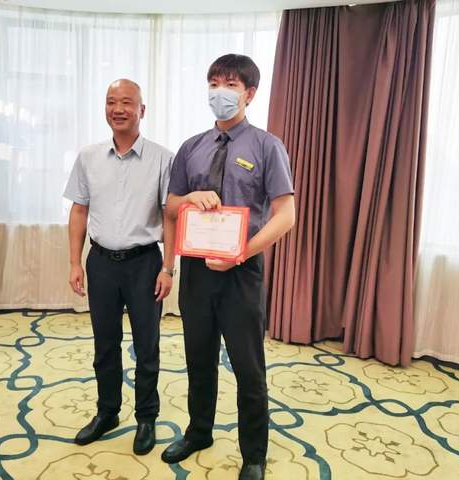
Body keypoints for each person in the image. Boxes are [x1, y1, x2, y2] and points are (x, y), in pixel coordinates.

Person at [162, 54, 295, 480]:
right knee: (198, 359)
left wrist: (241, 253)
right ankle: (198, 432)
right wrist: (189, 199)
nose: (220, 92)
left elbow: (286, 215)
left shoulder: (267, 146)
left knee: (248, 368)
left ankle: (253, 454)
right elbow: (170, 207)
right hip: (197, 271)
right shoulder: (191, 148)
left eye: (231, 85)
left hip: (242, 272)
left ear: (249, 94)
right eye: (214, 83)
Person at [64, 79, 175, 455]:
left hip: (145, 263)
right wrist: (74, 262)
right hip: (101, 263)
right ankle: (107, 411)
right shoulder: (88, 157)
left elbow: (170, 216)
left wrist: (168, 268)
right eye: (111, 102)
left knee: (147, 345)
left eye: (127, 102)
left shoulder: (163, 158)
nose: (118, 109)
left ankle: (146, 417)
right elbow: (79, 210)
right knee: (105, 343)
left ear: (142, 110)